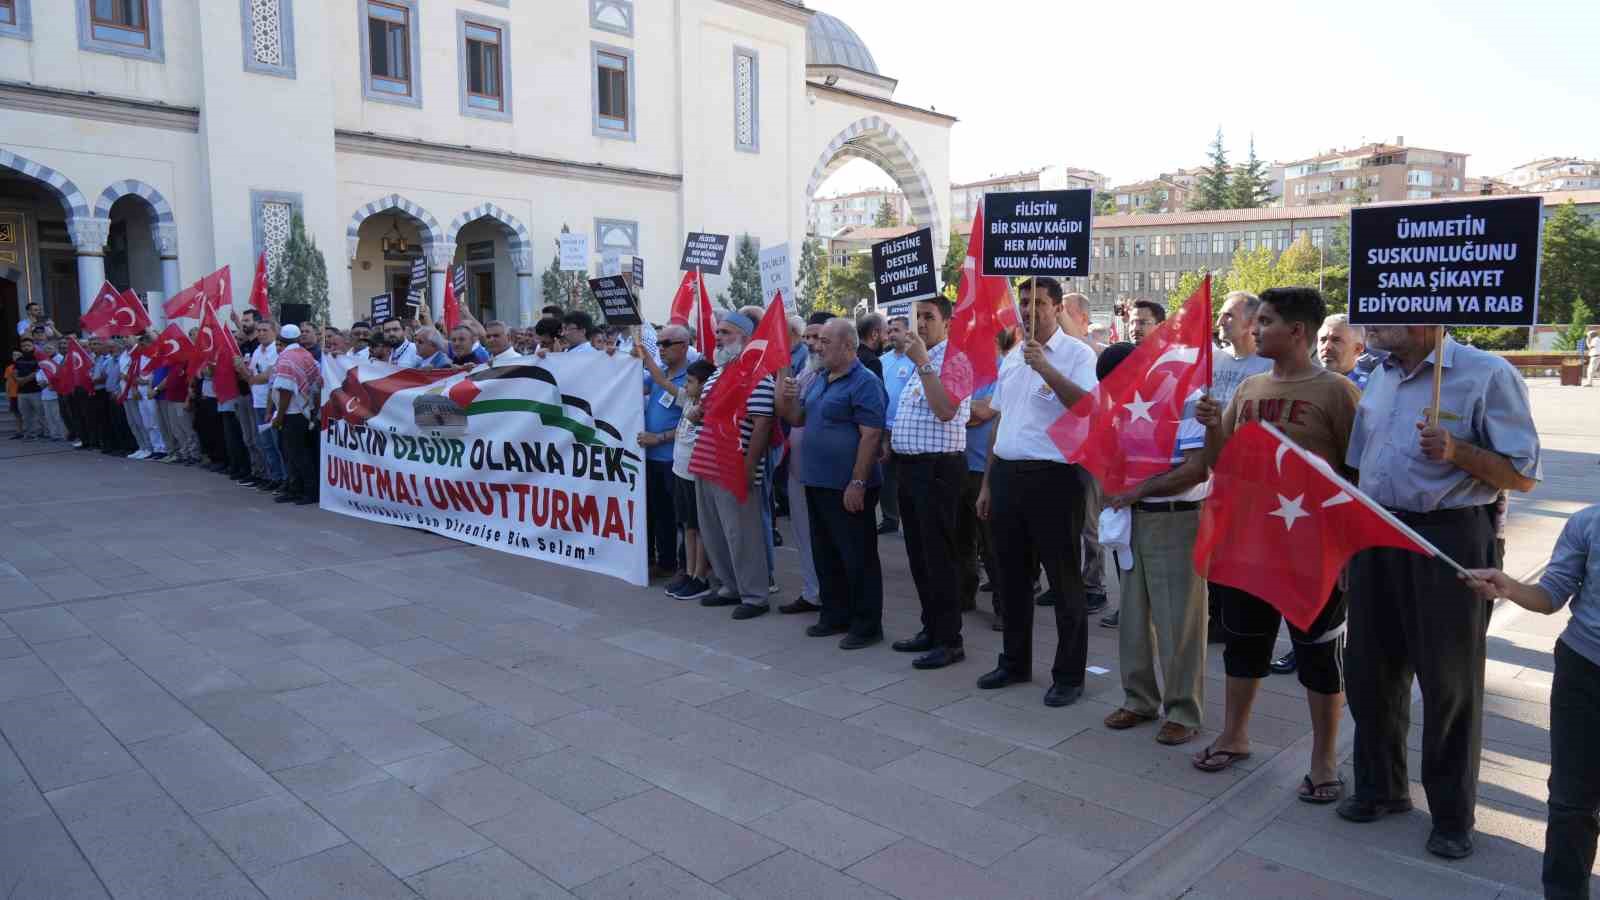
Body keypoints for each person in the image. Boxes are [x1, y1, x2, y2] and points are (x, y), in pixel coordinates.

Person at [1338, 323, 1540, 860]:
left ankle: (1451, 816)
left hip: (1448, 536)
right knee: (1369, 669)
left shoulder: (1486, 374)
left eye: (1385, 312)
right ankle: (1381, 787)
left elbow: (1522, 474)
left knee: (1449, 682)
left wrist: (1456, 451)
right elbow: (1361, 463)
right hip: (1378, 531)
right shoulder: (1375, 376)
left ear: (1426, 317)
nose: (1370, 323)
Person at [1192, 287, 1361, 807]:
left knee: (1317, 655)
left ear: (1298, 331)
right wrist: (1210, 427)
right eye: (1256, 320)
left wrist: (1346, 553)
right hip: (1250, 545)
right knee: (1244, 644)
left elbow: (1357, 478)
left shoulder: (1338, 392)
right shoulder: (1248, 389)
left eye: (1265, 321)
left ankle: (1323, 760)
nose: (1255, 328)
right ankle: (1234, 735)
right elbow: (1223, 463)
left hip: (1312, 553)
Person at [1460, 505, 1597, 897]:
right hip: (1584, 672)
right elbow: (1552, 593)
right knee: (1572, 800)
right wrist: (1509, 586)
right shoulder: (1588, 523)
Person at [976, 276, 1098, 707]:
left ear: (1057, 306)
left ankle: (1068, 674)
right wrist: (989, 482)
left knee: (1064, 579)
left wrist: (1044, 366)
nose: (1028, 311)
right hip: (1008, 474)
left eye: (1038, 303)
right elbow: (999, 420)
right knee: (1011, 577)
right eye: (1023, 302)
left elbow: (1087, 409)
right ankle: (1014, 661)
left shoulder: (1078, 354)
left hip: (1055, 478)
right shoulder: (1011, 355)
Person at [1097, 340, 1210, 746]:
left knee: (1179, 620)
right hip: (1134, 519)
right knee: (1132, 616)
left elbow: (1196, 469)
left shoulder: (1188, 399)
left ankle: (1183, 710)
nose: (1116, 395)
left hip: (1176, 520)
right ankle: (1139, 698)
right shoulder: (1122, 406)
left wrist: (1135, 491)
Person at [777, 317, 887, 648]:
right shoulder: (818, 377)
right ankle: (835, 614)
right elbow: (796, 418)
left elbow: (870, 436)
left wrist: (857, 482)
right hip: (816, 481)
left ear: (849, 346)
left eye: (825, 341)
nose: (817, 346)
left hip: (848, 485)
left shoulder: (864, 382)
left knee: (858, 555)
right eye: (817, 340)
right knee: (826, 553)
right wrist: (787, 395)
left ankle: (866, 625)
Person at [886, 298, 972, 670]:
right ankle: (930, 628)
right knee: (919, 556)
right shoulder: (913, 362)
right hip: (910, 469)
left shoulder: (956, 361)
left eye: (928, 317)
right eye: (916, 317)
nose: (920, 324)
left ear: (948, 322)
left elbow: (946, 410)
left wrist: (923, 362)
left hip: (938, 470)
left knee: (940, 558)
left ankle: (950, 640)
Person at [687, 310, 776, 619]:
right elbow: (709, 408)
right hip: (707, 462)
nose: (720, 338)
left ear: (745, 337)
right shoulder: (719, 371)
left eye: (726, 332)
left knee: (742, 533)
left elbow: (762, 422)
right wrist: (697, 412)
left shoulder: (757, 372)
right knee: (714, 530)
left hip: (733, 464)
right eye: (719, 332)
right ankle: (729, 586)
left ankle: (755, 595)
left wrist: (749, 466)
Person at [775, 314, 830, 616]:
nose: (812, 345)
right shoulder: (807, 374)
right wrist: (783, 366)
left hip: (826, 473)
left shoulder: (844, 375)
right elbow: (790, 414)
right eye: (808, 338)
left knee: (826, 537)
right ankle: (812, 592)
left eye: (819, 339)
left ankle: (832, 596)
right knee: (803, 534)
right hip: (798, 468)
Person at [637, 325, 691, 581]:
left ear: (683, 345)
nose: (660, 348)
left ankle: (688, 565)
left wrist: (658, 438)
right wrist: (615, 361)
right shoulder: (661, 373)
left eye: (666, 343)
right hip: (652, 458)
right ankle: (666, 561)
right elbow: (632, 386)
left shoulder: (691, 378)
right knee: (660, 514)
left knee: (684, 517)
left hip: (675, 458)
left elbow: (690, 421)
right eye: (658, 343)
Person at [664, 359, 716, 601]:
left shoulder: (707, 407)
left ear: (705, 385)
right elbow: (661, 381)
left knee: (698, 526)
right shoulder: (688, 400)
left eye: (691, 381)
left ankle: (700, 576)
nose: (686, 385)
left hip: (695, 473)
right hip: (679, 470)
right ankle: (688, 571)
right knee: (687, 526)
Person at [269, 323, 321, 506]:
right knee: (295, 453)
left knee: (297, 454)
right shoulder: (305, 354)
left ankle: (309, 491)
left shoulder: (286, 357)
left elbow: (285, 390)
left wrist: (280, 416)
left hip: (292, 412)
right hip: (304, 411)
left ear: (281, 340)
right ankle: (296, 489)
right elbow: (316, 382)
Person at [876, 316, 912, 536]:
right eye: (889, 330)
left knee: (906, 478)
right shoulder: (883, 360)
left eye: (896, 330)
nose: (891, 334)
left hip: (907, 428)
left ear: (908, 332)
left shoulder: (916, 359)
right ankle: (890, 518)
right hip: (885, 428)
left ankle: (909, 520)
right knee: (886, 476)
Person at [1317, 314, 1369, 389]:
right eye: (1323, 339)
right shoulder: (1305, 384)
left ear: (1357, 349)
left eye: (1336, 340)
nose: (1326, 347)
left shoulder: (1371, 389)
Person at [855, 313, 885, 379]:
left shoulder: (851, 357)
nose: (886, 338)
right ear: (874, 334)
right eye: (885, 333)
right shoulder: (872, 362)